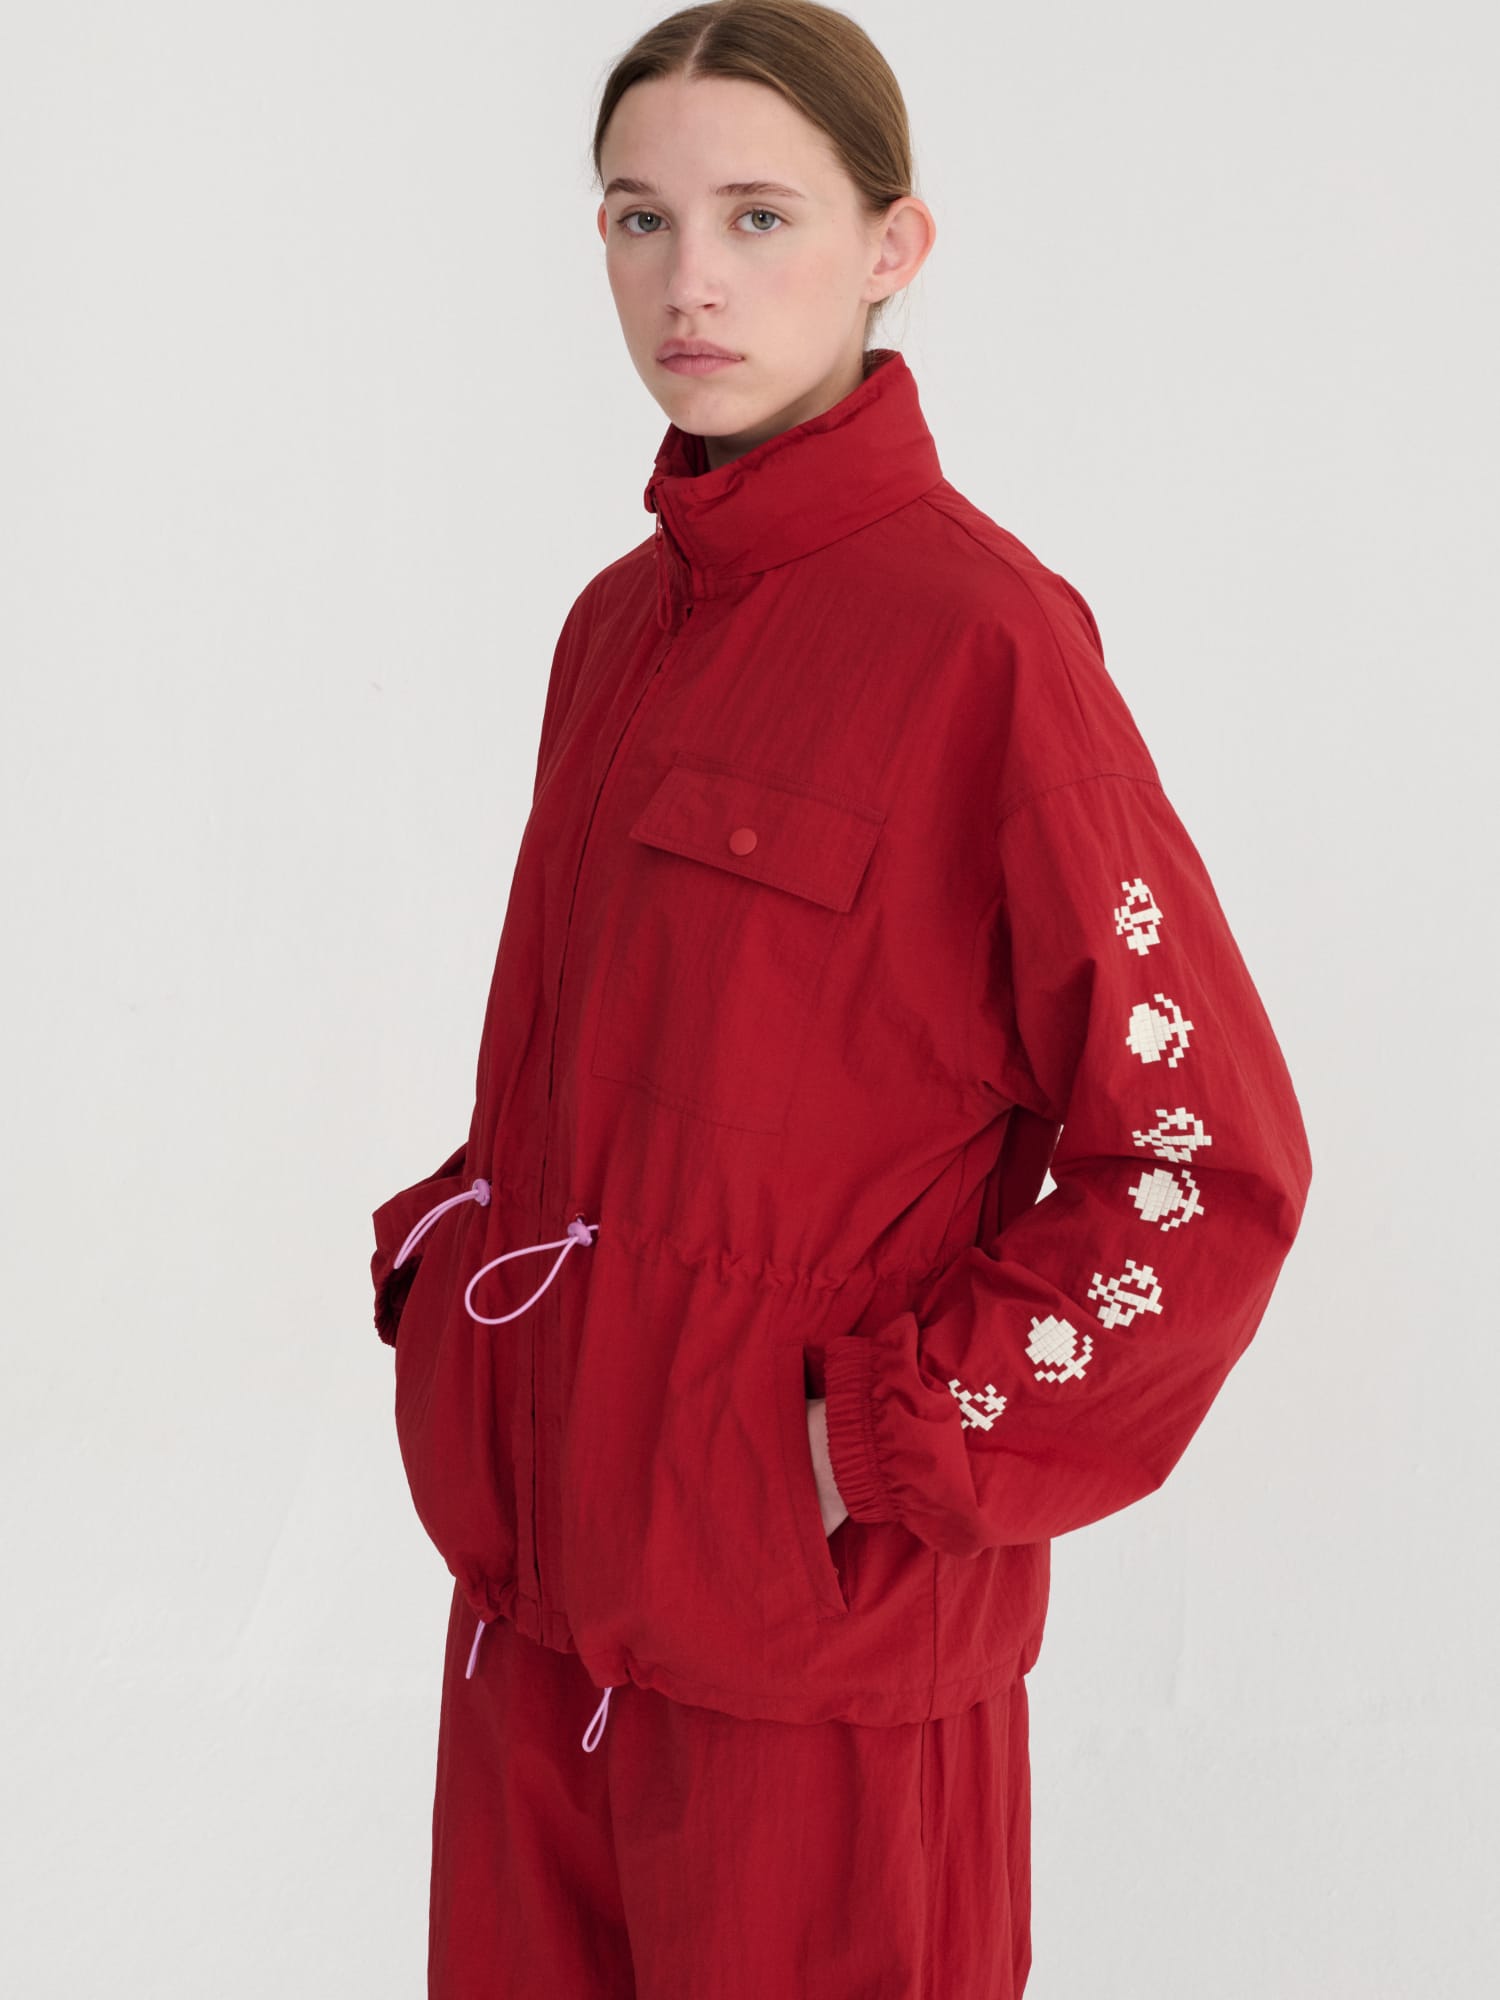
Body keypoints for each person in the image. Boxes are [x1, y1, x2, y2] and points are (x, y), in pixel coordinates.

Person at [367, 4, 1314, 1994]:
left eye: (758, 215)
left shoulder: (986, 646)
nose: (689, 281)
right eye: (639, 217)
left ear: (893, 245)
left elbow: (1198, 1163)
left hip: (818, 1683)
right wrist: (449, 1269)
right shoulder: (617, 627)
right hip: (533, 1641)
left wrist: (876, 1440)